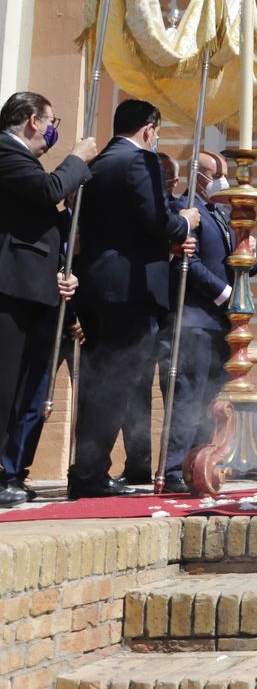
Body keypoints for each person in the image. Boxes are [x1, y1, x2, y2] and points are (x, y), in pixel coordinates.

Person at [69, 99, 198, 499]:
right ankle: (90, 473)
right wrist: (185, 223)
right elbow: (157, 218)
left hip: (96, 283)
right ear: (149, 128)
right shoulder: (141, 162)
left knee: (98, 380)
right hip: (129, 288)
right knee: (118, 382)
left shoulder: (97, 164)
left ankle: (86, 467)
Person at [0, 92, 95, 507]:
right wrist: (78, 157)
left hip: (34, 289)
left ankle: (9, 470)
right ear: (32, 121)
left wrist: (58, 274)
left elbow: (38, 229)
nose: (53, 131)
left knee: (24, 388)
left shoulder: (24, 159)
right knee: (5, 387)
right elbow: (48, 190)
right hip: (9, 290)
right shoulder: (6, 151)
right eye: (51, 121)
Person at [160, 150, 236, 492]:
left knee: (210, 399)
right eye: (215, 172)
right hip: (194, 320)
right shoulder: (186, 209)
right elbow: (184, 265)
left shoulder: (221, 212)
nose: (222, 177)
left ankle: (199, 464)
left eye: (224, 171)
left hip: (219, 323)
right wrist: (224, 292)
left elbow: (231, 258)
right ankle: (173, 469)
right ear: (198, 175)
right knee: (187, 399)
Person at [119, 152, 184, 485]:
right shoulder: (139, 211)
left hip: (176, 312)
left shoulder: (182, 210)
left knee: (172, 388)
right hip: (145, 305)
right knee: (135, 389)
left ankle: (173, 466)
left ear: (171, 183)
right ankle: (138, 462)